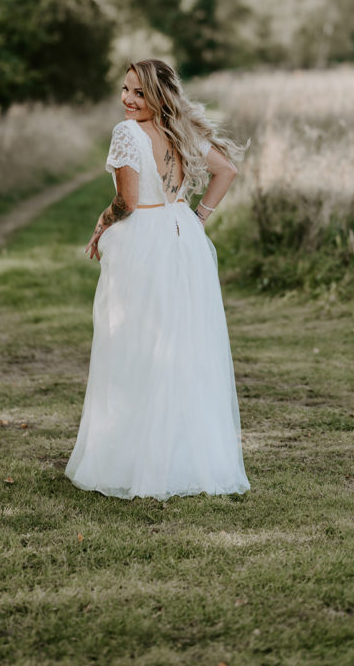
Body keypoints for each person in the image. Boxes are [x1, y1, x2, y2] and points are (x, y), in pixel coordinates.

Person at [65, 58, 250, 500]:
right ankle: (187, 457)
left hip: (143, 242)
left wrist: (101, 222)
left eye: (139, 93)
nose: (128, 100)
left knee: (135, 348)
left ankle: (135, 462)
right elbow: (227, 171)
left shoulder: (127, 133)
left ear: (158, 96)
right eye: (125, 89)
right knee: (183, 347)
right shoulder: (182, 128)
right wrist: (198, 216)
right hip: (183, 235)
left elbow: (127, 202)